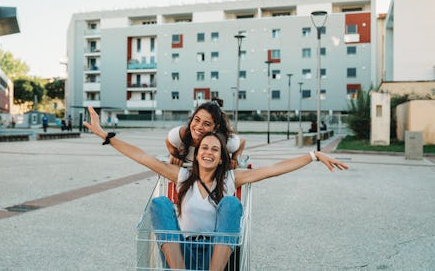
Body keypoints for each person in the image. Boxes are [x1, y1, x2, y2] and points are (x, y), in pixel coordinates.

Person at [83, 106, 348, 270]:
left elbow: (274, 169)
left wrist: (313, 156)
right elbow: (142, 156)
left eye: (214, 149)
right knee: (161, 203)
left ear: (221, 157)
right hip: (182, 253)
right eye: (204, 148)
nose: (208, 151)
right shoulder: (183, 175)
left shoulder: (232, 179)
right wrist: (104, 135)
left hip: (215, 256)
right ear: (196, 155)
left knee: (232, 203)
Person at [166, 101, 245, 170]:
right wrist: (175, 155)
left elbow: (242, 142)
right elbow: (168, 140)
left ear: (215, 128)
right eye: (197, 120)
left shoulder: (223, 142)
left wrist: (234, 159)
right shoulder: (181, 134)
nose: (199, 127)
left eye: (207, 124)